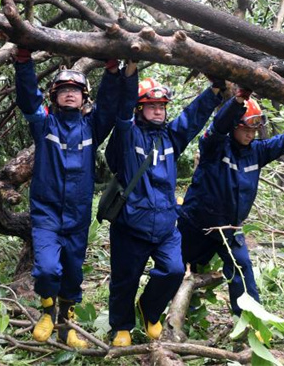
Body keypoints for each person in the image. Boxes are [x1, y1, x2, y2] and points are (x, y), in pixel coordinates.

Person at [105, 63, 223, 347]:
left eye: (162, 106)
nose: (159, 111)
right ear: (138, 108)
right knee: (125, 279)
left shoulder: (171, 137)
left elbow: (192, 118)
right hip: (131, 224)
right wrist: (130, 76)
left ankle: (149, 309)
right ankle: (121, 326)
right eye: (151, 106)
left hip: (166, 226)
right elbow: (121, 115)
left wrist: (216, 91)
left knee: (172, 270)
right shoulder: (128, 135)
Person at [14, 49, 121, 349]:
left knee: (72, 273)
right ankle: (47, 311)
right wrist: (23, 61)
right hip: (47, 213)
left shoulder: (92, 128)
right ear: (54, 96)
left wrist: (112, 73)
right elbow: (28, 100)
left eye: (75, 90)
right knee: (48, 268)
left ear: (85, 96)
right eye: (63, 90)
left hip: (78, 215)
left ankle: (66, 324)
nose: (70, 94)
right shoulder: (44, 125)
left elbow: (110, 107)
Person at [178, 87, 284, 315]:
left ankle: (250, 320)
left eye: (255, 129)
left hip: (230, 227)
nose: (251, 134)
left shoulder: (256, 152)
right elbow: (218, 126)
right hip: (196, 223)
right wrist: (238, 101)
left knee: (242, 268)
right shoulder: (215, 147)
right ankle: (180, 312)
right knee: (182, 268)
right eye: (245, 129)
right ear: (234, 126)